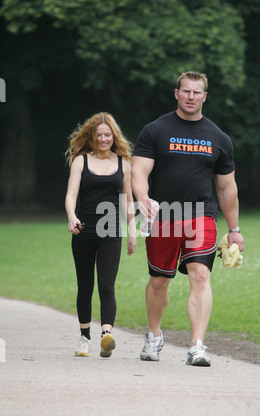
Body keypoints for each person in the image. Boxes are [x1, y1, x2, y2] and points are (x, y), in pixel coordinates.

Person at [132, 71, 244, 367]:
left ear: (205, 96)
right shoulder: (155, 130)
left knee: (200, 275)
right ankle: (154, 336)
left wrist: (234, 229)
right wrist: (142, 197)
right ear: (176, 93)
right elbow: (139, 171)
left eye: (197, 92)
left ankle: (197, 345)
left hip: (201, 216)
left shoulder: (219, 138)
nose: (191, 97)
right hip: (163, 216)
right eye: (186, 91)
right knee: (158, 280)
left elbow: (226, 187)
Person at [65, 112, 136, 358]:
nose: (104, 139)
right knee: (85, 286)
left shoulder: (123, 163)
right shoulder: (81, 161)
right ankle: (84, 338)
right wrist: (71, 216)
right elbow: (71, 195)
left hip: (111, 232)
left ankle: (106, 335)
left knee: (107, 285)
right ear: (92, 137)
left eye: (108, 135)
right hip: (83, 231)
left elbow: (128, 200)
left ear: (114, 136)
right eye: (99, 135)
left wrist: (132, 232)